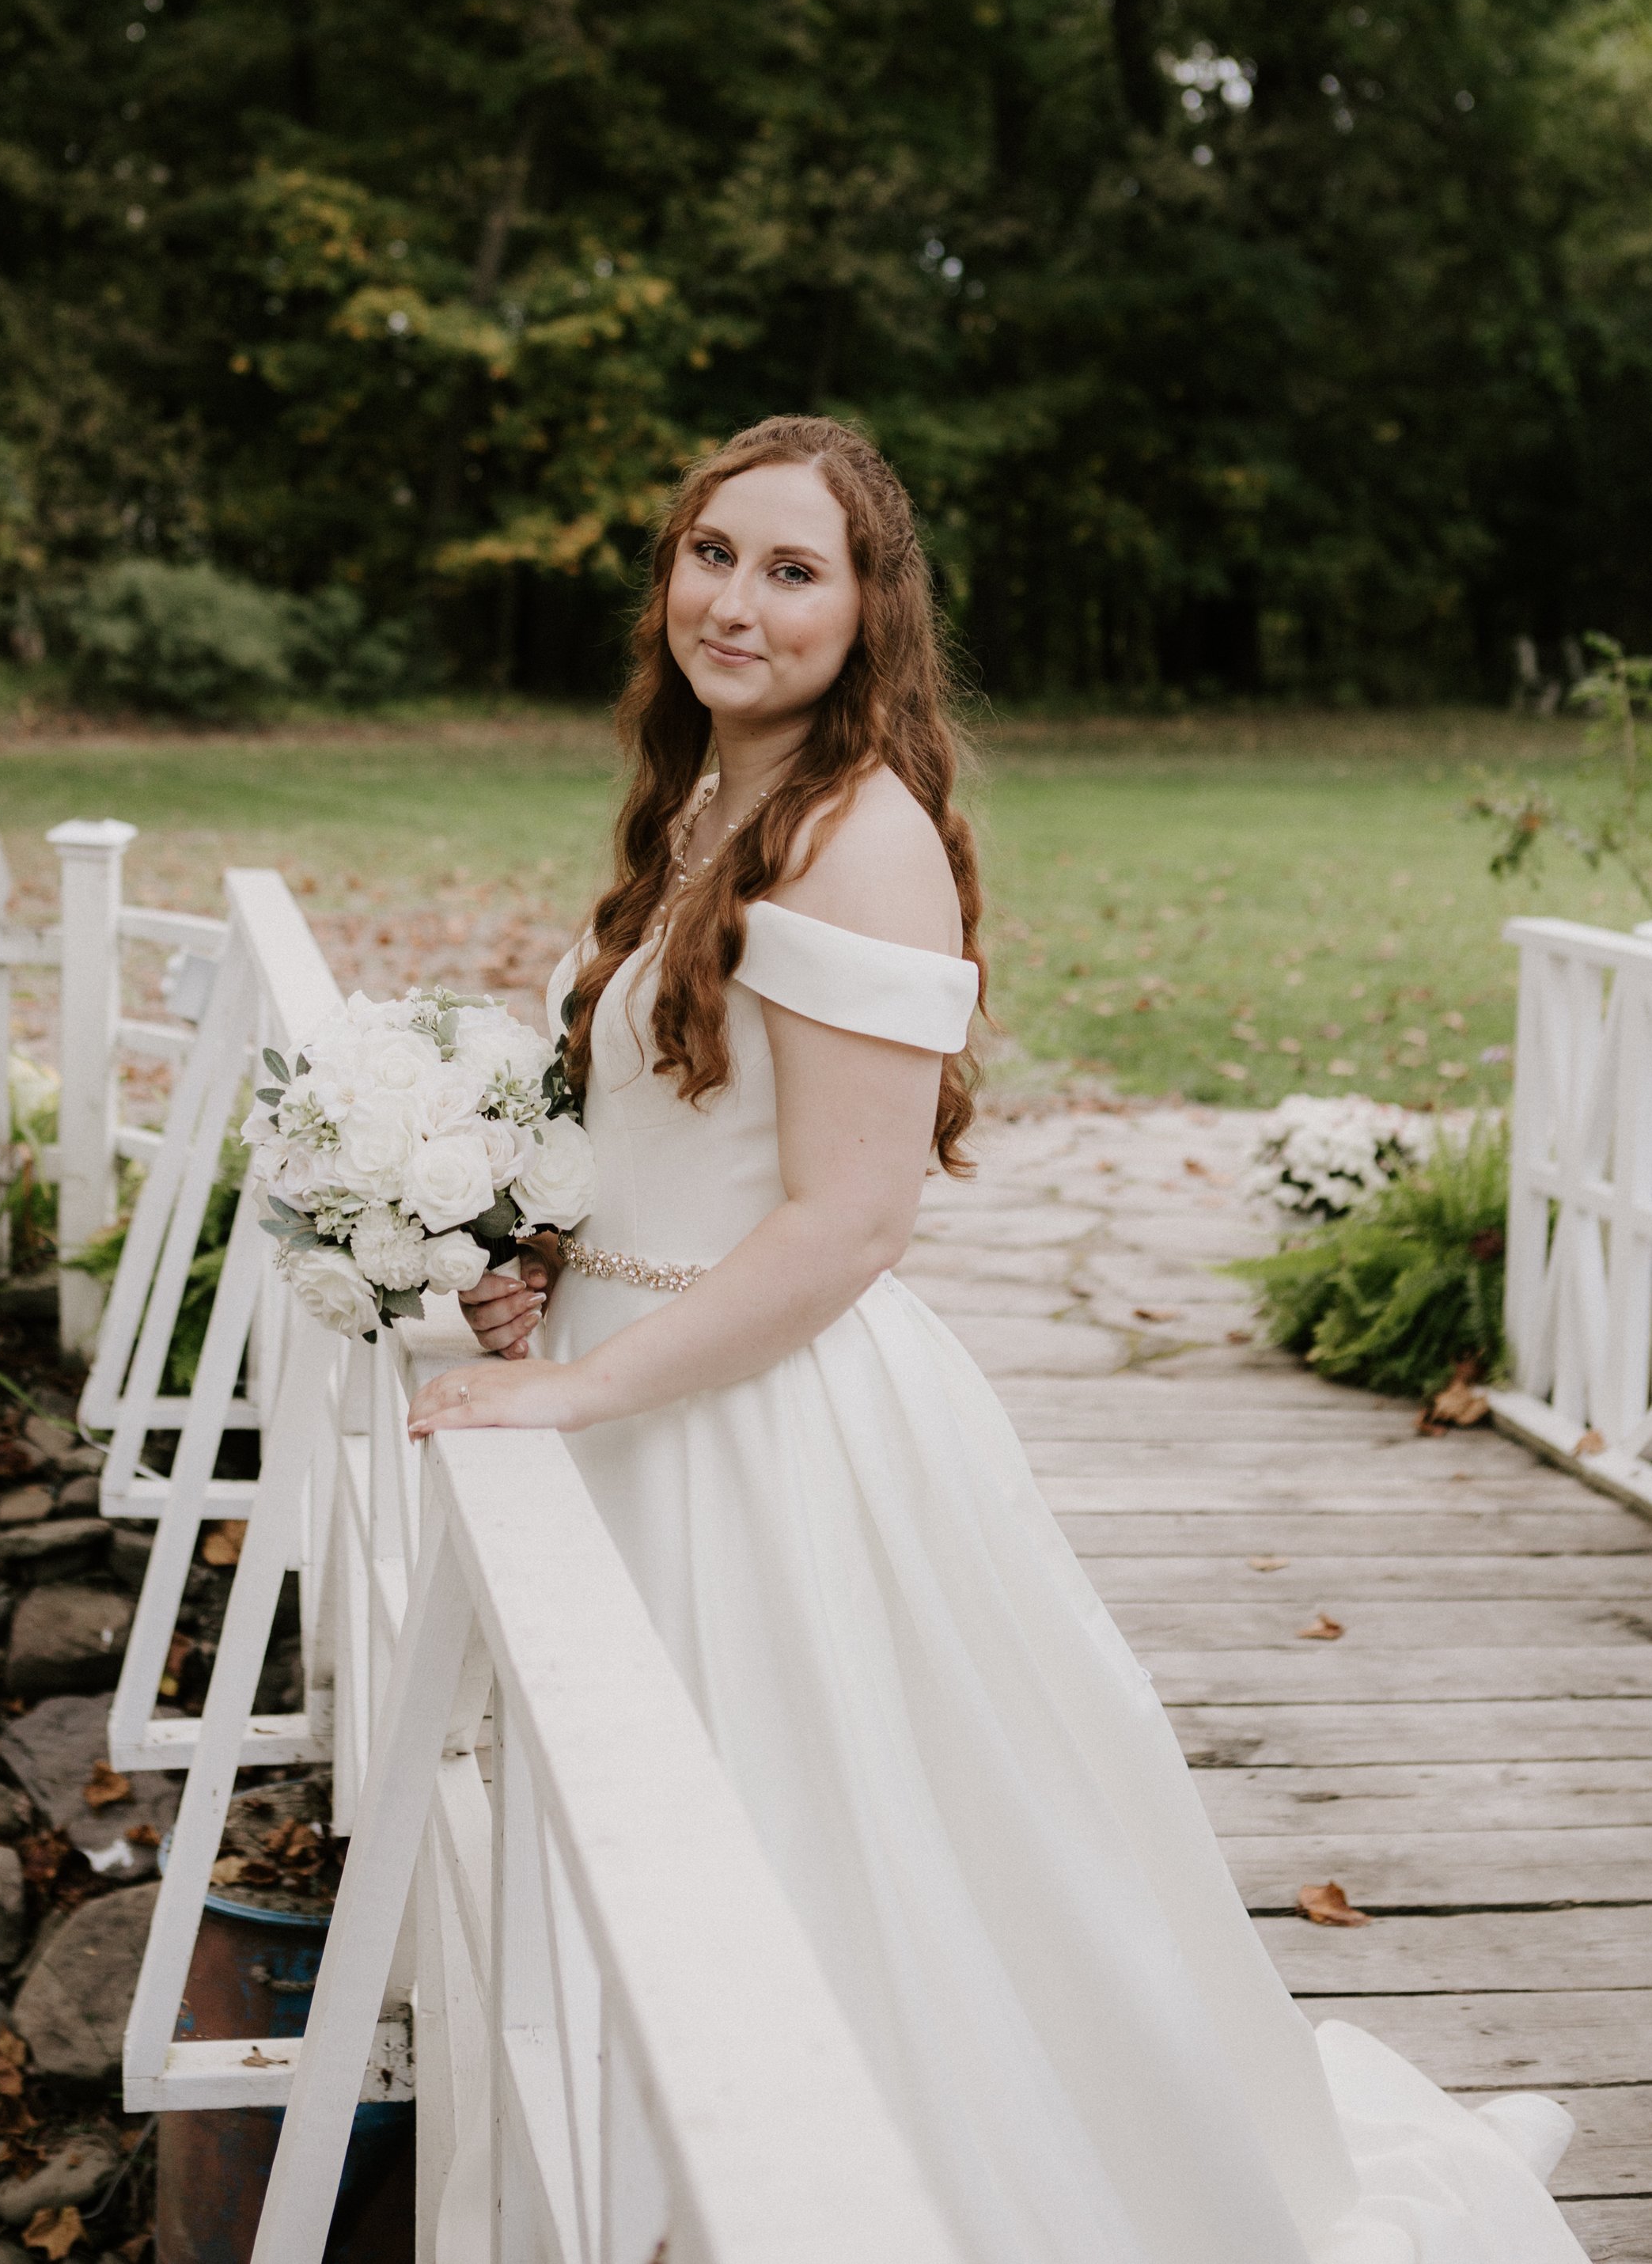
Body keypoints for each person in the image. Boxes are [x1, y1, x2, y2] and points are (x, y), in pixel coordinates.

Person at [407, 414, 1581, 2263]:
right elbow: (670, 1135)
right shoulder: (700, 800)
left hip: (762, 1434)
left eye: (793, 570)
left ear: (868, 613)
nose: (735, 599)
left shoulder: (859, 839)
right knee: (697, 1871)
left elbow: (854, 1219)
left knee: (845, 1878)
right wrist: (538, 1260)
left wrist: (577, 1385)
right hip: (643, 1387)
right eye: (712, 554)